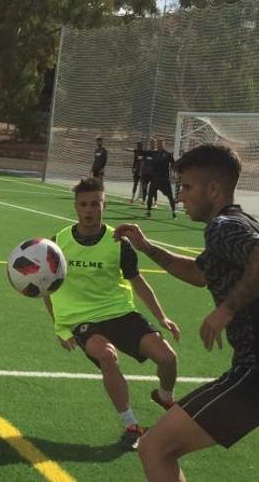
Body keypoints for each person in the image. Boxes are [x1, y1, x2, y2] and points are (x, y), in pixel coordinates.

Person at [116, 144, 259, 482]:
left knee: (155, 447)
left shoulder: (222, 226)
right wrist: (147, 247)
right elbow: (200, 274)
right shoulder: (241, 223)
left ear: (213, 189)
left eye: (187, 187)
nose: (180, 196)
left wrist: (226, 309)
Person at [43, 177, 181, 451]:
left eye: (95, 203)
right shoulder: (57, 243)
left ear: (104, 205)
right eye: (84, 204)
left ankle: (165, 396)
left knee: (168, 358)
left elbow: (137, 281)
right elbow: (47, 289)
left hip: (119, 312)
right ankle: (130, 424)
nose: (90, 210)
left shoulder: (118, 241)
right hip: (82, 319)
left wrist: (162, 316)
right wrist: (60, 328)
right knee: (107, 356)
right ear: (75, 207)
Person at [146, 139, 176, 219]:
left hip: (164, 180)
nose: (159, 145)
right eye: (158, 144)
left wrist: (173, 173)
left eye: (161, 144)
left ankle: (173, 212)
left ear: (163, 145)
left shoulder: (167, 154)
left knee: (170, 196)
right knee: (150, 195)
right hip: (155, 179)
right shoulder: (153, 153)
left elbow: (173, 164)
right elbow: (142, 153)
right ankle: (148, 211)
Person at [139, 138, 156, 205]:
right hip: (146, 173)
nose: (153, 144)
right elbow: (143, 162)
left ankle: (155, 202)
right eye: (151, 143)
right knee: (144, 187)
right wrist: (141, 171)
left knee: (154, 188)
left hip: (154, 173)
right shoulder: (147, 152)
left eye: (154, 143)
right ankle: (144, 200)